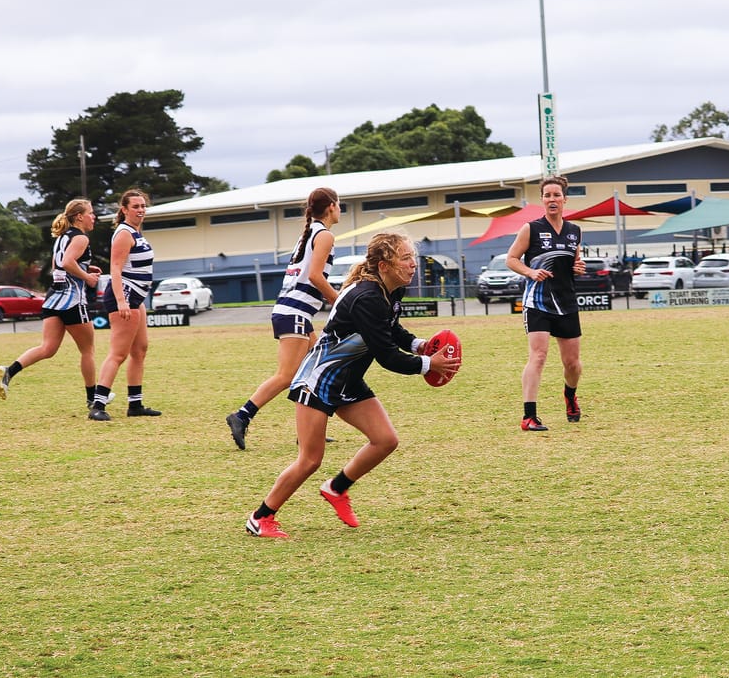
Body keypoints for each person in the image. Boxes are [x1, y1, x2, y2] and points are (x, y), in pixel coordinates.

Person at [245, 231, 461, 538]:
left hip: (347, 379)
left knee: (385, 440)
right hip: (318, 380)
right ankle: (260, 517)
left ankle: (336, 488)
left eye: (413, 257)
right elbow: (387, 356)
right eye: (405, 258)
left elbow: (391, 329)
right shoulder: (367, 297)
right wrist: (429, 364)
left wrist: (419, 345)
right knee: (310, 460)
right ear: (384, 265)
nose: (413, 264)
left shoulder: (390, 290)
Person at [226, 187, 341, 450]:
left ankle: (310, 430)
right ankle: (241, 416)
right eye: (339, 205)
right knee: (287, 375)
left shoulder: (309, 233)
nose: (340, 210)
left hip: (293, 312)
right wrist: (340, 300)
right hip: (296, 313)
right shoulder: (324, 235)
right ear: (331, 207)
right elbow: (315, 276)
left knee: (316, 369)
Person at [0, 198, 104, 408]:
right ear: (79, 217)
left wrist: (85, 268)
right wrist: (87, 277)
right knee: (88, 351)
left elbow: (58, 267)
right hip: (73, 301)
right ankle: (93, 399)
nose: (94, 216)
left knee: (47, 348)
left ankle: (9, 372)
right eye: (90, 213)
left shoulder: (62, 237)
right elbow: (67, 262)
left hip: (54, 299)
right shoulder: (81, 238)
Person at [505, 175, 586, 432]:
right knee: (538, 356)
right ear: (542, 200)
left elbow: (574, 262)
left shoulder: (575, 231)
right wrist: (530, 272)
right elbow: (511, 259)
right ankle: (529, 416)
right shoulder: (531, 229)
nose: (552, 199)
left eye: (556, 195)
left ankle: (570, 395)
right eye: (547, 195)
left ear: (564, 200)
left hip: (566, 303)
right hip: (537, 302)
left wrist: (578, 267)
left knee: (572, 364)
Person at [88, 189, 160, 421]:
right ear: (124, 210)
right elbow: (116, 269)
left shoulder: (136, 232)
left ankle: (135, 404)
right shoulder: (124, 233)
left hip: (136, 297)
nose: (140, 210)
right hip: (125, 296)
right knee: (118, 353)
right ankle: (98, 405)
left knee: (140, 350)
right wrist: (121, 301)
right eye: (135, 206)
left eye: (143, 206)